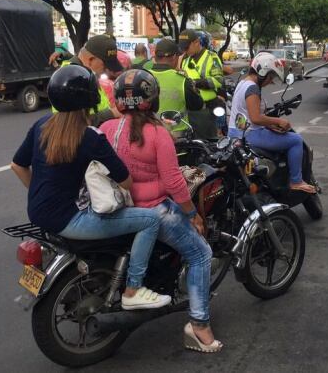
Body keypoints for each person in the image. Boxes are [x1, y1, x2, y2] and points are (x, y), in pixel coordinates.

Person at [10, 65, 171, 311]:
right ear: (90, 99)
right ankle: (133, 289)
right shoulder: (90, 136)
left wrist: (40, 192)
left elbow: (18, 165)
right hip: (70, 220)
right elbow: (125, 181)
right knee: (149, 220)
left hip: (39, 213)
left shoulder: (42, 124)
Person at [100, 69, 222, 353]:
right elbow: (174, 182)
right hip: (154, 210)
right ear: (152, 100)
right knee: (201, 253)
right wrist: (193, 214)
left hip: (121, 207)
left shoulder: (108, 129)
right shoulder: (157, 133)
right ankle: (199, 325)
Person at [228, 52, 316, 194]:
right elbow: (256, 118)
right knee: (296, 140)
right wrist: (278, 120)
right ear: (263, 72)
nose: (271, 81)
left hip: (236, 133)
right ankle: (296, 181)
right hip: (250, 135)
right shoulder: (252, 88)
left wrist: (269, 124)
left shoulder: (242, 83)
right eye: (271, 77)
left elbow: (249, 116)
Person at [48, 35, 124, 126]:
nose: (107, 69)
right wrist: (112, 114)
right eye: (105, 65)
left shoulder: (84, 73)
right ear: (91, 60)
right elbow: (74, 124)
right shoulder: (73, 79)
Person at [147, 38, 204, 134]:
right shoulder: (182, 80)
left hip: (150, 134)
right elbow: (197, 105)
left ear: (156, 56)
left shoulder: (145, 77)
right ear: (174, 57)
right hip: (178, 136)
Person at [179, 29, 225, 139]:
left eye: (187, 47)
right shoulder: (185, 60)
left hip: (207, 110)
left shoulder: (211, 57)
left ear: (196, 42)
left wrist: (195, 83)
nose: (185, 51)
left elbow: (218, 80)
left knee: (208, 143)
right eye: (183, 48)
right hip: (190, 110)